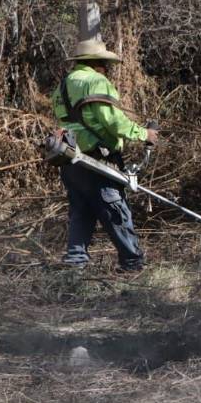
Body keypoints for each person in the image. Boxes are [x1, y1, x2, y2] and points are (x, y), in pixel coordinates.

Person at [51, 39, 159, 272]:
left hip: (70, 159)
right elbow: (112, 121)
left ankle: (75, 264)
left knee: (81, 211)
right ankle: (132, 264)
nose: (107, 69)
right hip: (97, 160)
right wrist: (144, 134)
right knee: (115, 211)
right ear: (97, 62)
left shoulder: (63, 85)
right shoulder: (96, 81)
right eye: (105, 64)